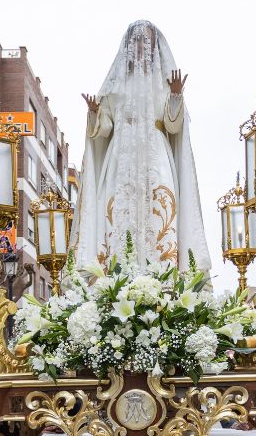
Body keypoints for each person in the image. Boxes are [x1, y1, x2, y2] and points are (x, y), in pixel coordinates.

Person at [75, 20, 210, 270]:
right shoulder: (114, 87)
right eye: (135, 41)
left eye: (145, 41)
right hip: (121, 160)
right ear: (127, 46)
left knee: (159, 215)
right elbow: (104, 129)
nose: (140, 46)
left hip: (156, 158)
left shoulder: (164, 85)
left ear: (154, 47)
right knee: (117, 214)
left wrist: (176, 96)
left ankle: (164, 279)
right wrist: (95, 113)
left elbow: (173, 126)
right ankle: (114, 278)